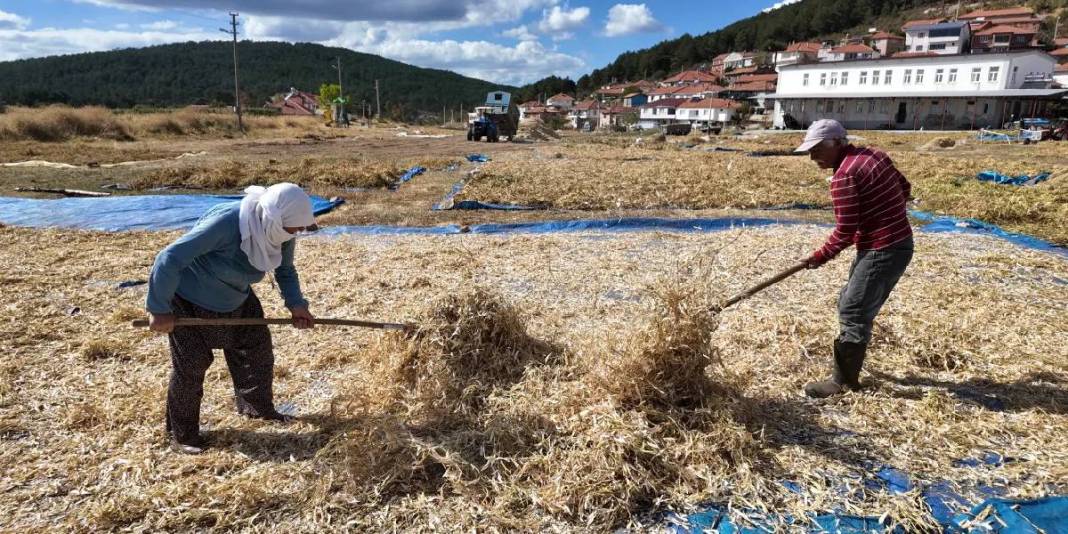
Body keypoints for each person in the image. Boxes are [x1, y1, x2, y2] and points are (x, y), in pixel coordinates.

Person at [146, 183, 318, 453]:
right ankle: (183, 436)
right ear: (274, 217)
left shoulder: (280, 230)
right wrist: (159, 309)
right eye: (293, 229)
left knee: (257, 351)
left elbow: (285, 270)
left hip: (237, 296)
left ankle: (256, 408)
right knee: (192, 365)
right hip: (189, 299)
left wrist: (297, 305)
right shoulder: (227, 224)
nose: (295, 234)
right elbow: (170, 257)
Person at [794, 120, 914, 399]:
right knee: (850, 299)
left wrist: (818, 257)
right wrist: (882, 215)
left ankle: (843, 383)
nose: (812, 157)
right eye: (810, 151)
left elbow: (846, 230)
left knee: (853, 311)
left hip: (882, 249)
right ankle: (849, 366)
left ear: (837, 143)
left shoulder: (843, 176)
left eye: (817, 149)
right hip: (900, 242)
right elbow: (904, 188)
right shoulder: (874, 155)